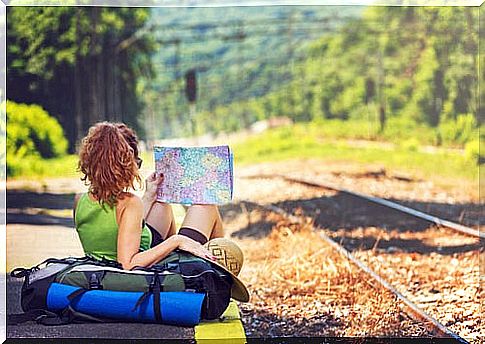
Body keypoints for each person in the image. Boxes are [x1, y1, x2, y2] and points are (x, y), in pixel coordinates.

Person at [73, 121, 224, 270]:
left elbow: (115, 226)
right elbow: (127, 264)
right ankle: (219, 277)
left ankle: (189, 261)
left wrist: (149, 196)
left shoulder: (79, 200)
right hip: (138, 274)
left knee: (160, 204)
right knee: (207, 207)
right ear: (124, 164)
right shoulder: (128, 202)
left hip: (103, 270)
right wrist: (176, 241)